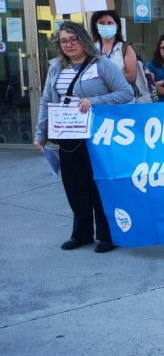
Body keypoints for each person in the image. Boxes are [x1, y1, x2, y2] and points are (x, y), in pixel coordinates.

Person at [33, 22, 134, 253]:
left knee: (98, 186)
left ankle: (108, 235)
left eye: (73, 39)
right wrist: (41, 134)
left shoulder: (101, 64)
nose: (68, 44)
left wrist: (95, 101)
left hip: (96, 136)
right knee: (74, 186)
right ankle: (82, 233)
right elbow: (47, 101)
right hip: (67, 135)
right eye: (63, 40)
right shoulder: (56, 67)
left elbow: (126, 94)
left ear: (83, 40)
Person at [90, 10, 138, 87]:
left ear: (117, 25)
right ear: (96, 25)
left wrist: (105, 77)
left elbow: (131, 77)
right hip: (97, 96)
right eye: (101, 23)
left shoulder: (125, 48)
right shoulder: (91, 49)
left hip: (121, 95)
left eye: (109, 23)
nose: (106, 26)